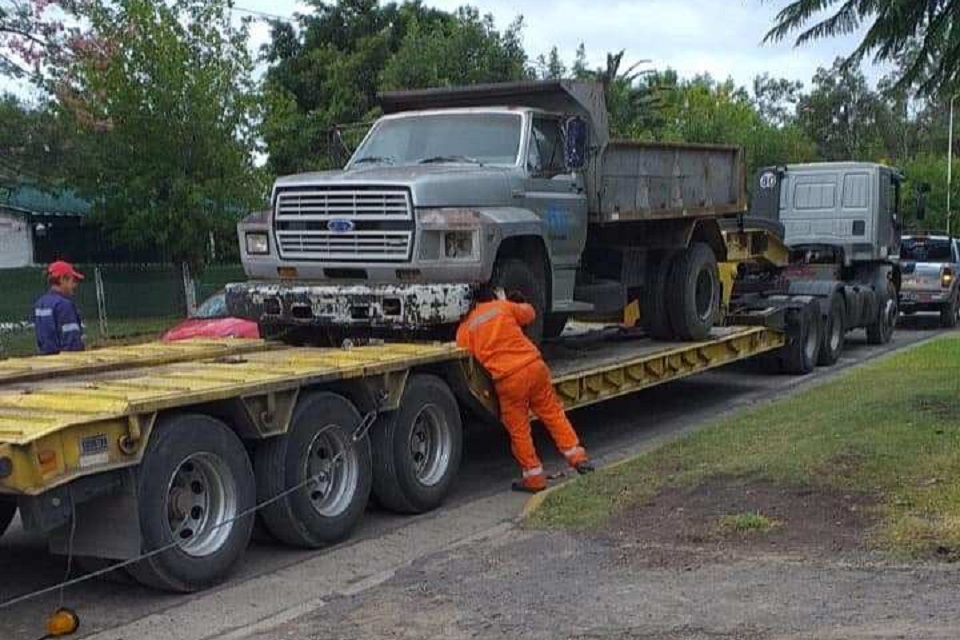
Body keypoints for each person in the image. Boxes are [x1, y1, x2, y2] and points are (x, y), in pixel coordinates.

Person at [456, 284, 594, 493]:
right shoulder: (503, 307)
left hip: (508, 380)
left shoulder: (465, 329)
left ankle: (534, 477)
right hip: (534, 367)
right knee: (554, 414)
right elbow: (529, 314)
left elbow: (465, 358)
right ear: (491, 295)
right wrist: (514, 302)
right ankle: (578, 458)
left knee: (519, 429)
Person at [34, 260, 85, 355]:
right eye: (73, 281)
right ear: (62, 279)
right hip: (65, 362)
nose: (75, 285)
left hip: (45, 360)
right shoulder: (64, 305)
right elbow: (71, 341)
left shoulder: (40, 303)